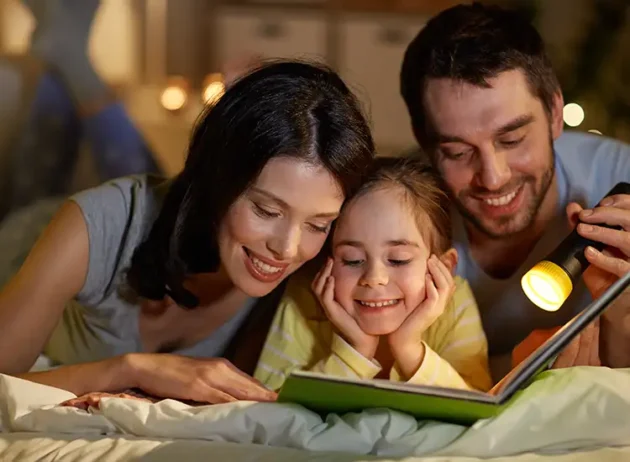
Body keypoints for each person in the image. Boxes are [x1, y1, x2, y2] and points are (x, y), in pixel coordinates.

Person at [0, 59, 376, 404]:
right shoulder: (91, 226)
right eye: (266, 210)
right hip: (23, 242)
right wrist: (129, 370)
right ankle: (64, 54)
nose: (287, 248)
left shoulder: (316, 268)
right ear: (218, 177)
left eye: (317, 224)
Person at [399, 3, 630, 380]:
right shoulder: (398, 211)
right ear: (425, 144)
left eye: (513, 138)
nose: (492, 178)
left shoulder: (619, 178)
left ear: (555, 113)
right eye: (457, 153)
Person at [254, 157, 492, 392]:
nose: (374, 277)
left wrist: (409, 349)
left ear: (446, 268)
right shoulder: (303, 300)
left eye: (398, 260)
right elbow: (267, 409)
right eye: (352, 260)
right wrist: (354, 353)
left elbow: (479, 406)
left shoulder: (454, 302)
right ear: (328, 262)